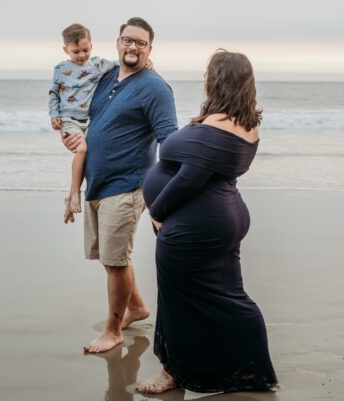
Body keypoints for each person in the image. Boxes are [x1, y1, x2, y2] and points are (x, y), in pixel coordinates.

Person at [137, 49, 278, 394]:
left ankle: (171, 372)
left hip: (194, 231)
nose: (204, 78)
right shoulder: (246, 123)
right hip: (223, 220)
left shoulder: (215, 130)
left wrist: (157, 212)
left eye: (208, 74)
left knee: (176, 299)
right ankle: (254, 369)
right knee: (229, 296)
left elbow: (188, 180)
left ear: (218, 80)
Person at [61, 17, 178, 353]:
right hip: (97, 182)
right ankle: (136, 308)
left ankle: (113, 330)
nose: (133, 47)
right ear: (117, 42)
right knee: (112, 257)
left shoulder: (155, 88)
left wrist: (166, 197)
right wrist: (68, 135)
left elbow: (168, 141)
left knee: (115, 260)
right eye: (128, 40)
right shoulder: (107, 75)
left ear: (149, 49)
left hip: (128, 185)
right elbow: (80, 109)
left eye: (140, 43)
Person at [49, 23, 119, 222]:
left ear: (92, 46)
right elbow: (53, 94)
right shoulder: (61, 69)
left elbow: (121, 63)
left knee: (91, 155)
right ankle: (75, 192)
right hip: (68, 120)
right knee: (81, 149)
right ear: (66, 50)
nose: (81, 55)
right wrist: (54, 115)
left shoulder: (97, 64)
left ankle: (70, 198)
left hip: (89, 121)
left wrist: (147, 61)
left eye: (85, 50)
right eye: (76, 51)